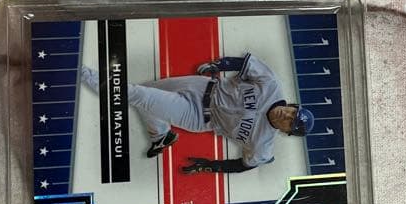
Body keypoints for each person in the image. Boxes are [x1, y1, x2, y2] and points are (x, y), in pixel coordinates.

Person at [79, 52, 314, 170]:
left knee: (138, 95)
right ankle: (161, 135)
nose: (287, 115)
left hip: (197, 116)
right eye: (292, 112)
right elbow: (244, 64)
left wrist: (210, 166)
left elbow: (244, 165)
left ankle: (81, 73)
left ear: (286, 132)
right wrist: (219, 64)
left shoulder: (263, 143)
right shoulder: (272, 85)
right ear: (293, 105)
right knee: (145, 93)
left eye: (290, 122)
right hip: (200, 86)